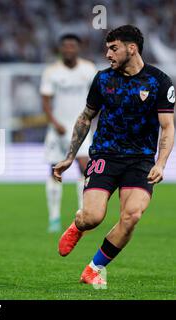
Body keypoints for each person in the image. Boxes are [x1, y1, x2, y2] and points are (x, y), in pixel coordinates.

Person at [54, 25, 175, 286]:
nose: (108, 53)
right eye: (107, 48)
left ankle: (94, 267)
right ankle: (78, 224)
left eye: (113, 48)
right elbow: (86, 117)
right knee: (93, 217)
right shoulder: (103, 79)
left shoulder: (159, 81)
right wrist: (69, 156)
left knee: (131, 217)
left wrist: (161, 162)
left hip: (141, 160)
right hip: (105, 155)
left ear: (132, 48)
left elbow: (168, 126)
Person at [40, 34, 97, 233]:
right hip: (58, 129)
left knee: (85, 168)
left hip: (81, 128)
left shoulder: (89, 69)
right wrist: (54, 123)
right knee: (54, 171)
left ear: (78, 48)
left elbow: (99, 96)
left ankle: (83, 214)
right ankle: (54, 218)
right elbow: (45, 101)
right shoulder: (52, 72)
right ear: (60, 49)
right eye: (65, 46)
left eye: (72, 46)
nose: (69, 49)